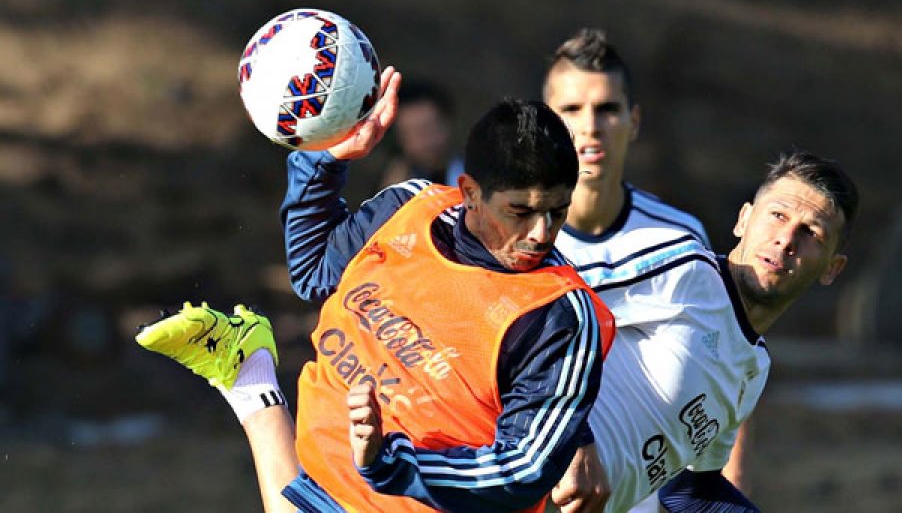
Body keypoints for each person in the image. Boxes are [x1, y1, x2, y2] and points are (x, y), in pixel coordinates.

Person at [138, 66, 616, 513]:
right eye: (520, 211)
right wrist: (324, 159)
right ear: (470, 191)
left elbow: (525, 468)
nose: (540, 232)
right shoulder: (408, 208)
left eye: (556, 211)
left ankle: (251, 380)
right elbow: (315, 274)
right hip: (328, 474)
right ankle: (251, 378)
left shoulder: (557, 314)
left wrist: (394, 464)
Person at [553, 148, 858, 512]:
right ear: (743, 220)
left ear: (832, 269)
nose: (787, 239)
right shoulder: (687, 273)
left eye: (812, 233)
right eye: (777, 216)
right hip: (508, 487)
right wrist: (576, 440)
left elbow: (688, 488)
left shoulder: (754, 368)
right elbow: (540, 311)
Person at [539, 28, 714, 513]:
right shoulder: (506, 239)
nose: (590, 126)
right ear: (546, 125)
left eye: (607, 109)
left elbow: (727, 368)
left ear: (633, 122)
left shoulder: (679, 241)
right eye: (570, 111)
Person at [378, 79, 464, 189]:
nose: (426, 141)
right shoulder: (394, 185)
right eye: (414, 133)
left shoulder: (477, 172)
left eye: (431, 129)